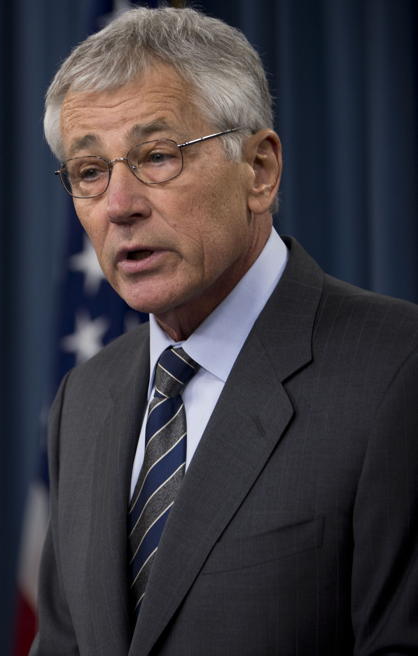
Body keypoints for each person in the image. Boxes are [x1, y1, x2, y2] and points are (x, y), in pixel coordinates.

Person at [31, 7, 418, 655]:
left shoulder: (395, 370)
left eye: (157, 156)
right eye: (90, 172)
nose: (118, 206)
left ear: (259, 170)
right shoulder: (85, 398)